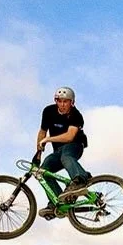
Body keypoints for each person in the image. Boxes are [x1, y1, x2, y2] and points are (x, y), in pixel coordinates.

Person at [36, 86, 90, 218]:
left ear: (72, 102)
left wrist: (48, 139)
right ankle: (57, 202)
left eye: (66, 102)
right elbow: (42, 132)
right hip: (58, 151)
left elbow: (69, 137)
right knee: (42, 172)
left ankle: (80, 179)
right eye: (59, 101)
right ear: (56, 101)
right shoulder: (48, 111)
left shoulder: (76, 115)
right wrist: (38, 153)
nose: (62, 104)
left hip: (75, 145)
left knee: (66, 156)